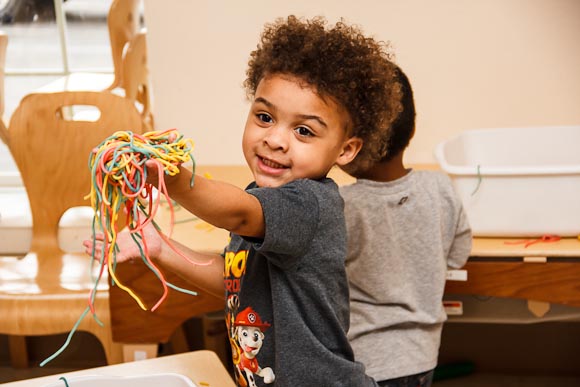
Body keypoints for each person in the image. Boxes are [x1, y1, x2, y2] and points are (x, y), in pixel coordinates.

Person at [84, 15, 402, 387]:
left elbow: (236, 213)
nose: (276, 139)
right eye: (265, 117)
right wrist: (161, 248)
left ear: (346, 150)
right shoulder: (264, 201)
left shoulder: (309, 205)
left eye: (303, 130)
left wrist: (172, 178)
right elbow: (235, 279)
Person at [339, 66, 472, 387]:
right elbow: (457, 257)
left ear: (350, 144)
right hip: (422, 357)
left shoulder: (341, 205)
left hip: (362, 360)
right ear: (410, 128)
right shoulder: (439, 188)